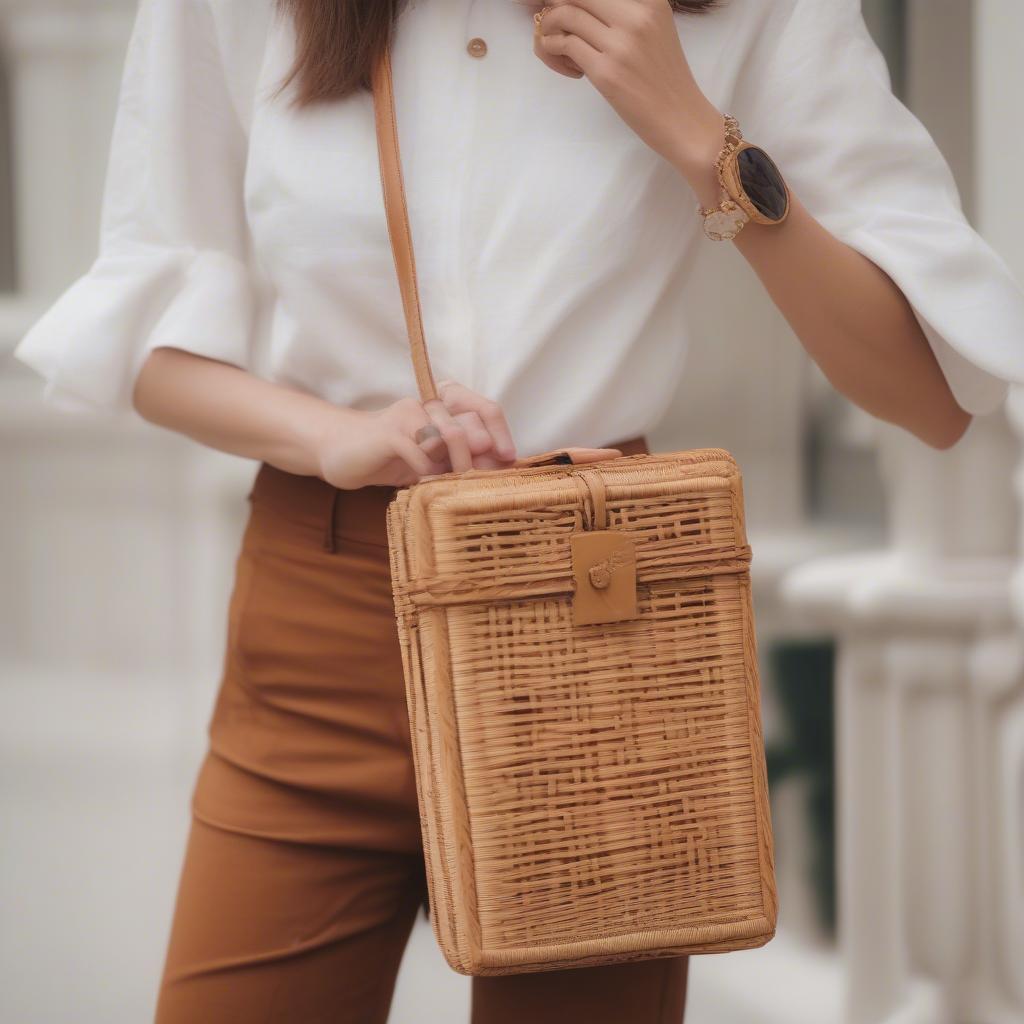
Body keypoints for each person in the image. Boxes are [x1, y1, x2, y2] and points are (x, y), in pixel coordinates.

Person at [13, 0, 1024, 1021]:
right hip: (325, 619)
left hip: (600, 619)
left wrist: (695, 135)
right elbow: (147, 331)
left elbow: (928, 393)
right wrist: (332, 434)